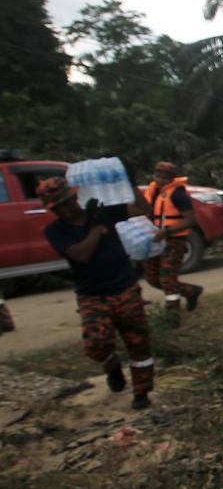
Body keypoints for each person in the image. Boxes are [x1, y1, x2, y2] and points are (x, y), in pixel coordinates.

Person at [40, 176, 157, 410]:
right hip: (93, 295)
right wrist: (95, 231)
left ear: (74, 198)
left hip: (125, 288)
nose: (64, 209)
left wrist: (129, 182)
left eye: (67, 202)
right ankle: (112, 366)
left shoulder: (104, 212)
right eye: (57, 207)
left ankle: (141, 392)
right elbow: (81, 255)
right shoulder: (55, 231)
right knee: (96, 345)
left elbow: (144, 209)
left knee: (139, 345)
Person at [143, 161, 203, 326]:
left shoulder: (178, 194)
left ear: (172, 178)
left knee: (167, 278)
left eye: (165, 177)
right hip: (155, 239)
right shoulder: (153, 191)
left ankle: (172, 316)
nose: (161, 180)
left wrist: (167, 232)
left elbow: (190, 220)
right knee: (152, 277)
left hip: (174, 239)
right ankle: (191, 291)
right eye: (158, 176)